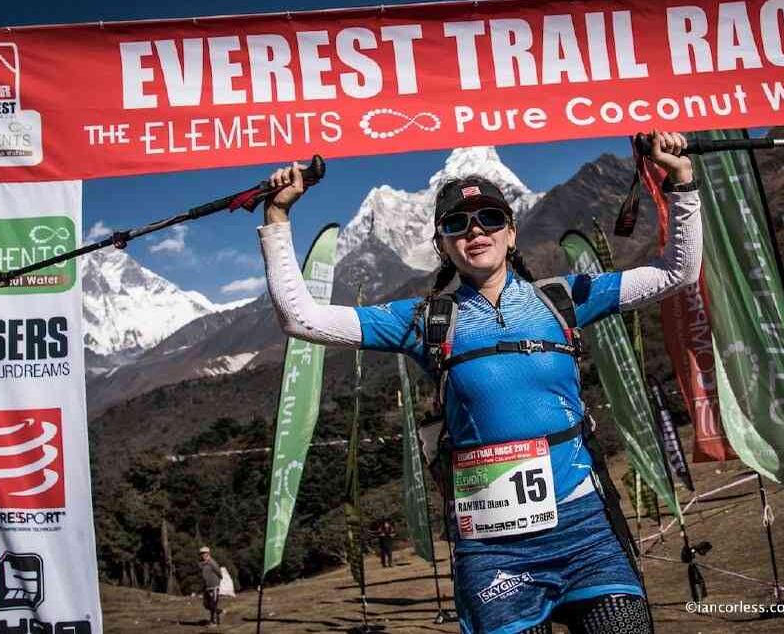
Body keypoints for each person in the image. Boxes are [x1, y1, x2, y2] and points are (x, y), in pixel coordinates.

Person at [258, 131, 701, 634]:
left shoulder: (564, 298)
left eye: (490, 218)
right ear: (443, 246)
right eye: (456, 224)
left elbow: (677, 273)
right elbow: (301, 318)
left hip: (583, 527)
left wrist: (680, 180)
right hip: (493, 547)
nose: (476, 231)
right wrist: (277, 217)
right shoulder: (424, 319)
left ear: (511, 233)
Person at [198, 546, 223, 626]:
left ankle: (213, 622)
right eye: (201, 554)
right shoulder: (202, 564)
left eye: (204, 553)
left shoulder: (212, 562)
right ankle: (218, 612)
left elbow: (219, 572)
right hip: (206, 587)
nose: (203, 555)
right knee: (206, 604)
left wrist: (217, 583)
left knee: (213, 604)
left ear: (208, 553)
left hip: (214, 586)